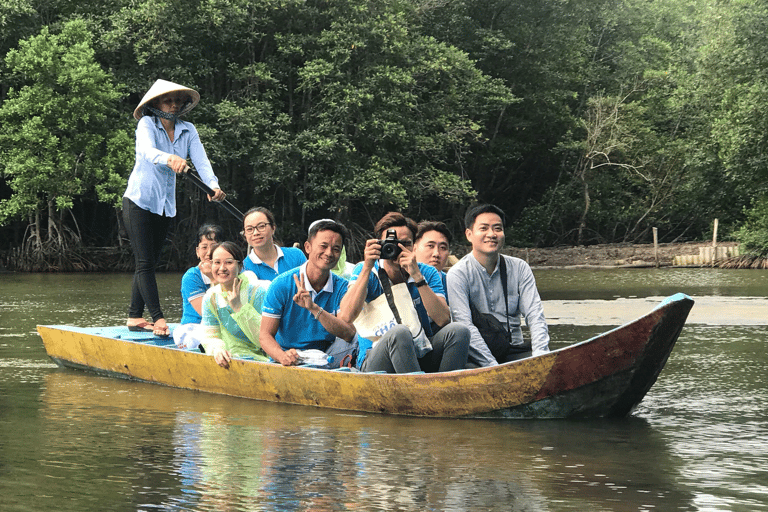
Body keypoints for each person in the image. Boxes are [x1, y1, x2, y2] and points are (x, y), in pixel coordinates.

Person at [123, 79, 226, 337]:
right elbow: (147, 151)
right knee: (145, 261)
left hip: (164, 205)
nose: (173, 105)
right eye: (168, 100)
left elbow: (201, 162)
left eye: (177, 101)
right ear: (156, 103)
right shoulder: (146, 124)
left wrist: (212, 186)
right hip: (139, 200)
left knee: (151, 261)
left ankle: (135, 316)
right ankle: (157, 318)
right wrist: (169, 158)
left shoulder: (187, 129)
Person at [339, 212, 469, 374]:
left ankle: (447, 390)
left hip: (421, 349)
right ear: (379, 244)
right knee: (400, 332)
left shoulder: (426, 272)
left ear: (414, 246)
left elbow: (443, 320)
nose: (397, 248)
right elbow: (345, 316)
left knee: (459, 331)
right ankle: (418, 393)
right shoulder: (366, 270)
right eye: (392, 243)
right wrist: (366, 266)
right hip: (377, 357)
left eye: (405, 243)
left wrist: (417, 277)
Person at [446, 204, 550, 367]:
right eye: (484, 228)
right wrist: (493, 367)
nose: (492, 234)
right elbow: (464, 324)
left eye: (497, 228)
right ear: (469, 234)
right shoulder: (458, 274)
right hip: (476, 356)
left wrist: (541, 356)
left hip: (513, 349)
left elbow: (535, 314)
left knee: (551, 361)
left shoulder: (519, 268)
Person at [259, 220, 357, 366]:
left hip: (327, 355)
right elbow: (265, 335)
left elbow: (349, 333)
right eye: (323, 246)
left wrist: (314, 308)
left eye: (336, 249)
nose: (329, 253)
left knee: (359, 339)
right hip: (289, 355)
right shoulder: (282, 284)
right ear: (308, 247)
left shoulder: (342, 287)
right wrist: (282, 356)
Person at [200, 241, 269, 368]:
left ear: (240, 266)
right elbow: (210, 335)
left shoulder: (258, 292)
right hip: (232, 357)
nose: (222, 268)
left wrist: (239, 308)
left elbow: (265, 339)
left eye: (229, 262)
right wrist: (217, 349)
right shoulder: (211, 297)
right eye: (217, 262)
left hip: (268, 357)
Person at [173, 223, 224, 350]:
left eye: (214, 246)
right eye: (204, 247)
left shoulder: (230, 271)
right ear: (197, 251)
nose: (208, 252)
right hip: (194, 329)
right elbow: (208, 313)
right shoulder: (191, 277)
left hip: (223, 325)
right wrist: (213, 278)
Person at [241, 207, 306, 285]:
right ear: (245, 234)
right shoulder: (244, 268)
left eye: (261, 226)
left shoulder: (296, 256)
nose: (255, 233)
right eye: (249, 229)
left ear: (273, 228)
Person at [413, 220, 452, 299]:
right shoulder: (401, 279)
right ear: (414, 248)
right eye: (430, 246)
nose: (436, 254)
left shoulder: (453, 284)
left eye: (443, 248)